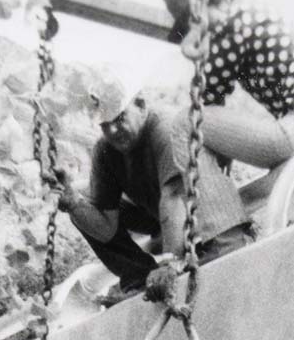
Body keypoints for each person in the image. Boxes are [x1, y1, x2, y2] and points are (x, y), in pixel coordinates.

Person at [52, 74, 253, 303]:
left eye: (120, 118)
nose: (114, 130)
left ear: (140, 105)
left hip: (206, 221)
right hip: (164, 220)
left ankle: (179, 264)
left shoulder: (166, 128)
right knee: (84, 201)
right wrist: (74, 204)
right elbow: (107, 228)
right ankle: (139, 278)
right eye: (105, 125)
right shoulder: (106, 151)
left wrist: (170, 264)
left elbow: (174, 197)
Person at [158, 0, 294, 171]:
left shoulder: (229, 22)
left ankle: (223, 218)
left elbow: (207, 98)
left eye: (191, 23)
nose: (195, 33)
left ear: (201, 7)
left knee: (186, 122)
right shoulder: (255, 10)